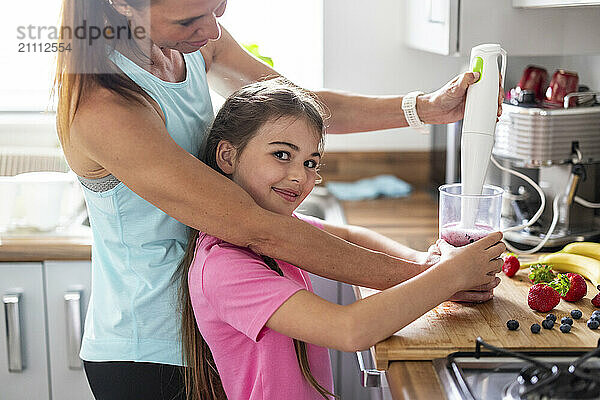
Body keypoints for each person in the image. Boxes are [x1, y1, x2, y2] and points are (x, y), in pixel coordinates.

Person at [53, 0, 504, 398]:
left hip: (220, 331)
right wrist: (434, 278)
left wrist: (426, 107)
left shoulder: (192, 40)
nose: (212, 31)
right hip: (153, 353)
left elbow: (296, 108)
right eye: (191, 18)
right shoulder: (102, 107)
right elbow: (255, 227)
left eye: (218, 9)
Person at [177, 79, 505, 400]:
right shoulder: (224, 266)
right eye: (281, 155)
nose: (298, 176)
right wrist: (449, 276)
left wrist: (424, 262)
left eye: (310, 163)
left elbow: (349, 235)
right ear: (227, 156)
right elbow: (349, 329)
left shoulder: (280, 229)